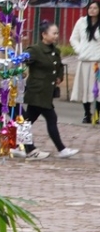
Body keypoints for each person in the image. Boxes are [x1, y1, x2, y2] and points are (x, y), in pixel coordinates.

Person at [21, 23, 79, 159]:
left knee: (26, 121)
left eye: (57, 33)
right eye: (54, 33)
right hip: (37, 92)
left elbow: (58, 66)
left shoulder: (55, 51)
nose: (56, 36)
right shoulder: (35, 50)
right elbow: (24, 60)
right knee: (51, 117)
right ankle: (61, 149)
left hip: (47, 91)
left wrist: (59, 77)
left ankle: (18, 145)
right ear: (44, 34)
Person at [70, 1, 100, 124]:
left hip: (97, 62)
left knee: (98, 90)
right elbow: (73, 38)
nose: (92, 10)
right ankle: (87, 114)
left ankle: (97, 115)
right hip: (85, 61)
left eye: (95, 8)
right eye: (90, 8)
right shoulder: (81, 22)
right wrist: (80, 50)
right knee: (85, 88)